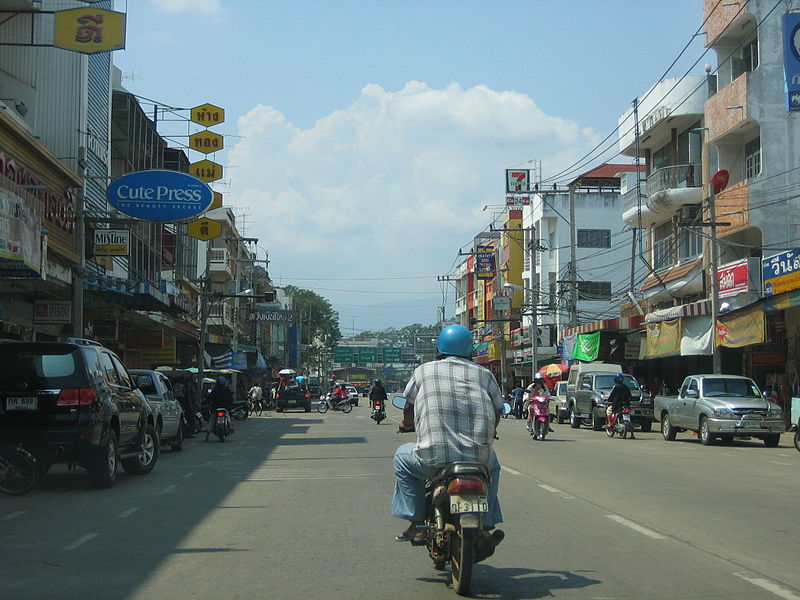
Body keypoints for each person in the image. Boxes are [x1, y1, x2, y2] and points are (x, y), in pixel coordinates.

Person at [392, 324, 505, 558]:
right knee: (493, 467)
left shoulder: (423, 371)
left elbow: (409, 406)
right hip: (478, 460)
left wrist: (406, 424)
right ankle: (486, 524)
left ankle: (416, 522)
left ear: (440, 348)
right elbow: (497, 410)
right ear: (470, 350)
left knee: (402, 459)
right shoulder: (484, 374)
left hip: (432, 458)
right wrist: (490, 431)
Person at [606, 373, 634, 439]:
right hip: (626, 405)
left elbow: (612, 396)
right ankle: (632, 434)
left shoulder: (616, 387)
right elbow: (630, 396)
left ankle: (609, 424)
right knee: (629, 418)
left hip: (617, 405)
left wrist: (609, 400)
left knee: (608, 411)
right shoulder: (626, 387)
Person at [206, 376, 234, 441]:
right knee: (228, 416)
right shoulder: (227, 390)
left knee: (212, 419)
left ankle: (207, 434)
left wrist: (207, 402)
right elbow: (231, 400)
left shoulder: (214, 390)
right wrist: (229, 404)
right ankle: (230, 427)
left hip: (215, 408)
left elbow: (209, 398)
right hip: (225, 408)